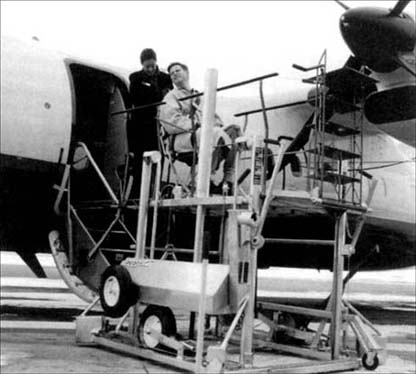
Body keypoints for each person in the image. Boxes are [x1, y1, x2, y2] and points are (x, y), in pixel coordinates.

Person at [158, 62, 241, 194]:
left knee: (234, 131)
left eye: (177, 70)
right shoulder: (171, 97)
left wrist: (217, 127)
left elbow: (214, 119)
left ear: (187, 73)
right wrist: (198, 124)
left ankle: (228, 180)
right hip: (181, 138)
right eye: (171, 73)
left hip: (204, 134)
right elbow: (171, 122)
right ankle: (204, 178)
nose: (174, 74)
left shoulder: (199, 97)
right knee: (211, 133)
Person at [128, 48, 172, 186]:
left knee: (159, 154)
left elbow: (168, 97)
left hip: (158, 122)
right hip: (142, 123)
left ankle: (156, 187)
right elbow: (136, 98)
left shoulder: (165, 78)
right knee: (140, 157)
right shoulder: (135, 78)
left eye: (152, 66)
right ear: (142, 65)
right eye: (147, 67)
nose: (150, 69)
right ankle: (138, 189)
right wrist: (156, 95)